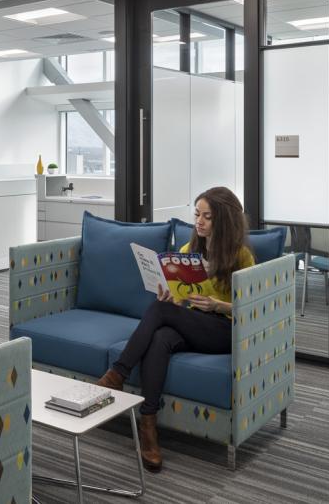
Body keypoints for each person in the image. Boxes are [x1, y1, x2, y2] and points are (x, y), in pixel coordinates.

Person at [97, 186, 254, 472]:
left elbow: (252, 308)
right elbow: (181, 303)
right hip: (194, 324)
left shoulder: (241, 256)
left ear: (224, 219)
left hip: (223, 330)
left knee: (160, 313)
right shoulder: (186, 253)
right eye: (197, 215)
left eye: (207, 216)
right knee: (161, 337)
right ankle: (148, 425)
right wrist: (171, 298)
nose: (199, 222)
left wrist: (217, 305)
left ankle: (117, 374)